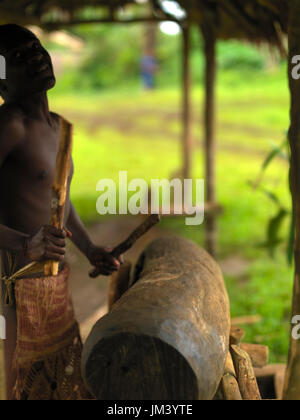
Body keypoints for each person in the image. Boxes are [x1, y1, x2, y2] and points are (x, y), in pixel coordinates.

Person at [0, 24, 122, 400]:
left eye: (35, 48)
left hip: (52, 278)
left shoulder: (60, 129)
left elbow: (60, 202)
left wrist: (91, 250)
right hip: (13, 278)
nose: (34, 57)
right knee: (24, 379)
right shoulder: (9, 128)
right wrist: (26, 244)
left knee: (63, 376)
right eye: (18, 57)